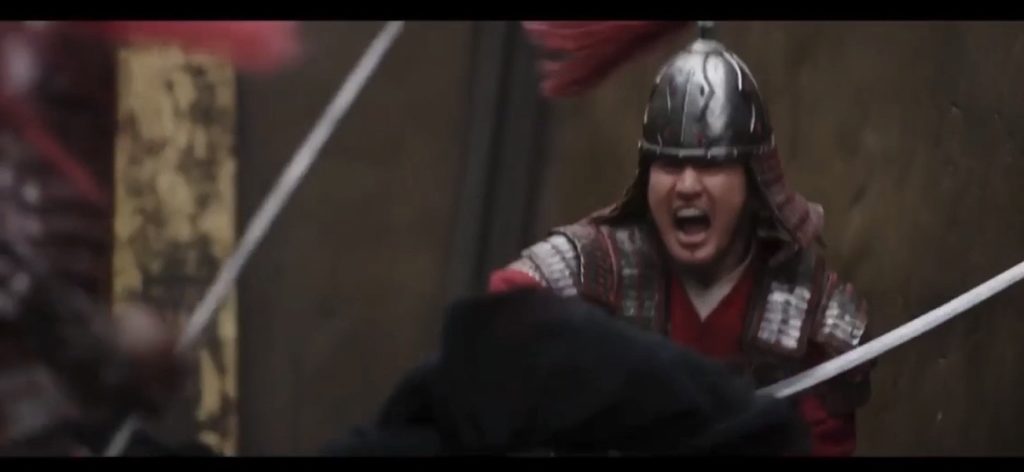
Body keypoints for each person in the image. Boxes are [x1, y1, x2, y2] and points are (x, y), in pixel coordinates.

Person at [488, 22, 873, 456]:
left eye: (711, 165)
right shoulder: (597, 268)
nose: (687, 185)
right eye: (670, 165)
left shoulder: (809, 316)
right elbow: (496, 322)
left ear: (753, 179)